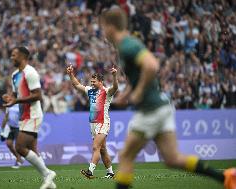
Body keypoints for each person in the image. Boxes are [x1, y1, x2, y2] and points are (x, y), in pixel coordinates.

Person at [99, 8, 236, 189]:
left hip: (151, 111)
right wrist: (125, 95)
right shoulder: (126, 46)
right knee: (173, 159)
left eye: (103, 27)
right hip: (162, 107)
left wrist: (139, 92)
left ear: (110, 26)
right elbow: (138, 75)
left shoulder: (127, 45)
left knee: (125, 156)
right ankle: (225, 177)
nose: (102, 32)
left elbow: (152, 65)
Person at [2, 46, 56, 189]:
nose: (11, 57)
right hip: (23, 115)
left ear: (23, 57)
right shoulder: (14, 75)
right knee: (33, 150)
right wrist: (10, 98)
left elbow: (38, 95)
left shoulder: (30, 73)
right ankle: (50, 183)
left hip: (33, 114)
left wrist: (17, 101)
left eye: (14, 55)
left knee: (20, 147)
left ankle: (48, 174)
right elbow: (16, 95)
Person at [66, 64, 118, 179]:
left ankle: (90, 171)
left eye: (94, 81)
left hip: (103, 122)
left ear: (100, 82)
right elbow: (76, 84)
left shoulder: (106, 92)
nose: (92, 83)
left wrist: (114, 76)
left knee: (96, 147)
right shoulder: (90, 90)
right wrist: (71, 74)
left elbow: (115, 88)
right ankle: (110, 173)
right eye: (91, 81)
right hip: (93, 123)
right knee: (103, 149)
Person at [0, 103, 23, 168]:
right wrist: (2, 131)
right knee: (9, 144)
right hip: (10, 127)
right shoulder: (8, 105)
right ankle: (19, 158)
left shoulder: (19, 104)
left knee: (18, 145)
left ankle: (18, 161)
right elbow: (6, 117)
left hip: (18, 127)